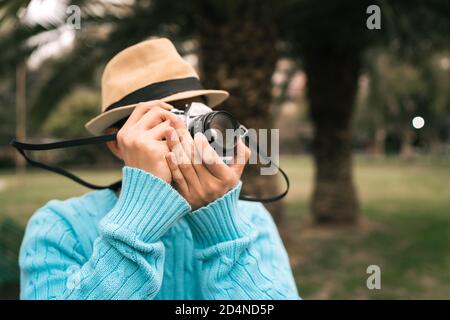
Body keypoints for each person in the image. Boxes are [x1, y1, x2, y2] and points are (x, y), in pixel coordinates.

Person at [19, 38, 299, 300]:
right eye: (166, 120)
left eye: (196, 118)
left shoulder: (249, 218)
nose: (190, 137)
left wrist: (223, 230)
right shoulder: (60, 226)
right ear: (118, 143)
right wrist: (139, 221)